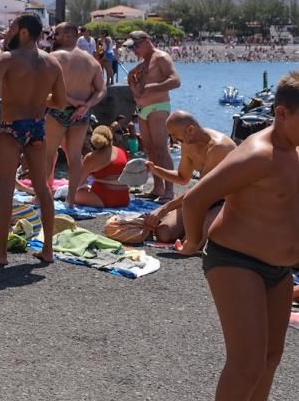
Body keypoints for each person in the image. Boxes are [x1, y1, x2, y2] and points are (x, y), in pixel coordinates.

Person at [178, 72, 299, 401]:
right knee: (246, 361)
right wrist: (192, 243)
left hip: (279, 269)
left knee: (271, 355)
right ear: (281, 113)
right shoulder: (259, 154)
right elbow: (196, 199)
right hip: (236, 261)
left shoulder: (295, 148)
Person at [0, 13, 67, 266]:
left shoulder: (7, 59)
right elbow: (60, 102)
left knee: (5, 188)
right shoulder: (52, 63)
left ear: (24, 32)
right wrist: (38, 101)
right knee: (43, 188)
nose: (8, 32)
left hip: (11, 127)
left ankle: (1, 253)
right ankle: (48, 250)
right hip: (37, 127)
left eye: (12, 27)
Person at [141, 111, 236, 243]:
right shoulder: (187, 143)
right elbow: (182, 177)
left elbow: (202, 189)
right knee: (164, 233)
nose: (173, 140)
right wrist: (155, 170)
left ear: (191, 129)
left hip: (224, 201)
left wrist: (164, 208)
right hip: (200, 199)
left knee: (192, 241)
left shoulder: (218, 147)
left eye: (174, 135)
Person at [43, 22, 108, 207]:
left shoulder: (54, 57)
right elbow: (101, 90)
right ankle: (71, 199)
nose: (54, 36)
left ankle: (44, 195)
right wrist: (86, 105)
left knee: (48, 154)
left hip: (59, 109)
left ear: (68, 35)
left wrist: (72, 101)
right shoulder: (90, 60)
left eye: (57, 33)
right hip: (81, 115)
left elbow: (46, 89)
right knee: (74, 156)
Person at [125, 30, 181, 202]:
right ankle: (158, 188)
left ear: (146, 41)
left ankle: (169, 190)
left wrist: (152, 88)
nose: (133, 50)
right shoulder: (143, 63)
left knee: (161, 149)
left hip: (158, 107)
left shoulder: (161, 58)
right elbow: (134, 83)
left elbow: (176, 80)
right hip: (143, 109)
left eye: (135, 46)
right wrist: (133, 81)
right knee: (149, 150)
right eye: (131, 47)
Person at [72, 125, 131, 210]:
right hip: (124, 198)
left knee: (72, 193)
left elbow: (80, 181)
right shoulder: (122, 151)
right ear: (111, 137)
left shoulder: (91, 157)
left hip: (104, 198)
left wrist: (80, 165)